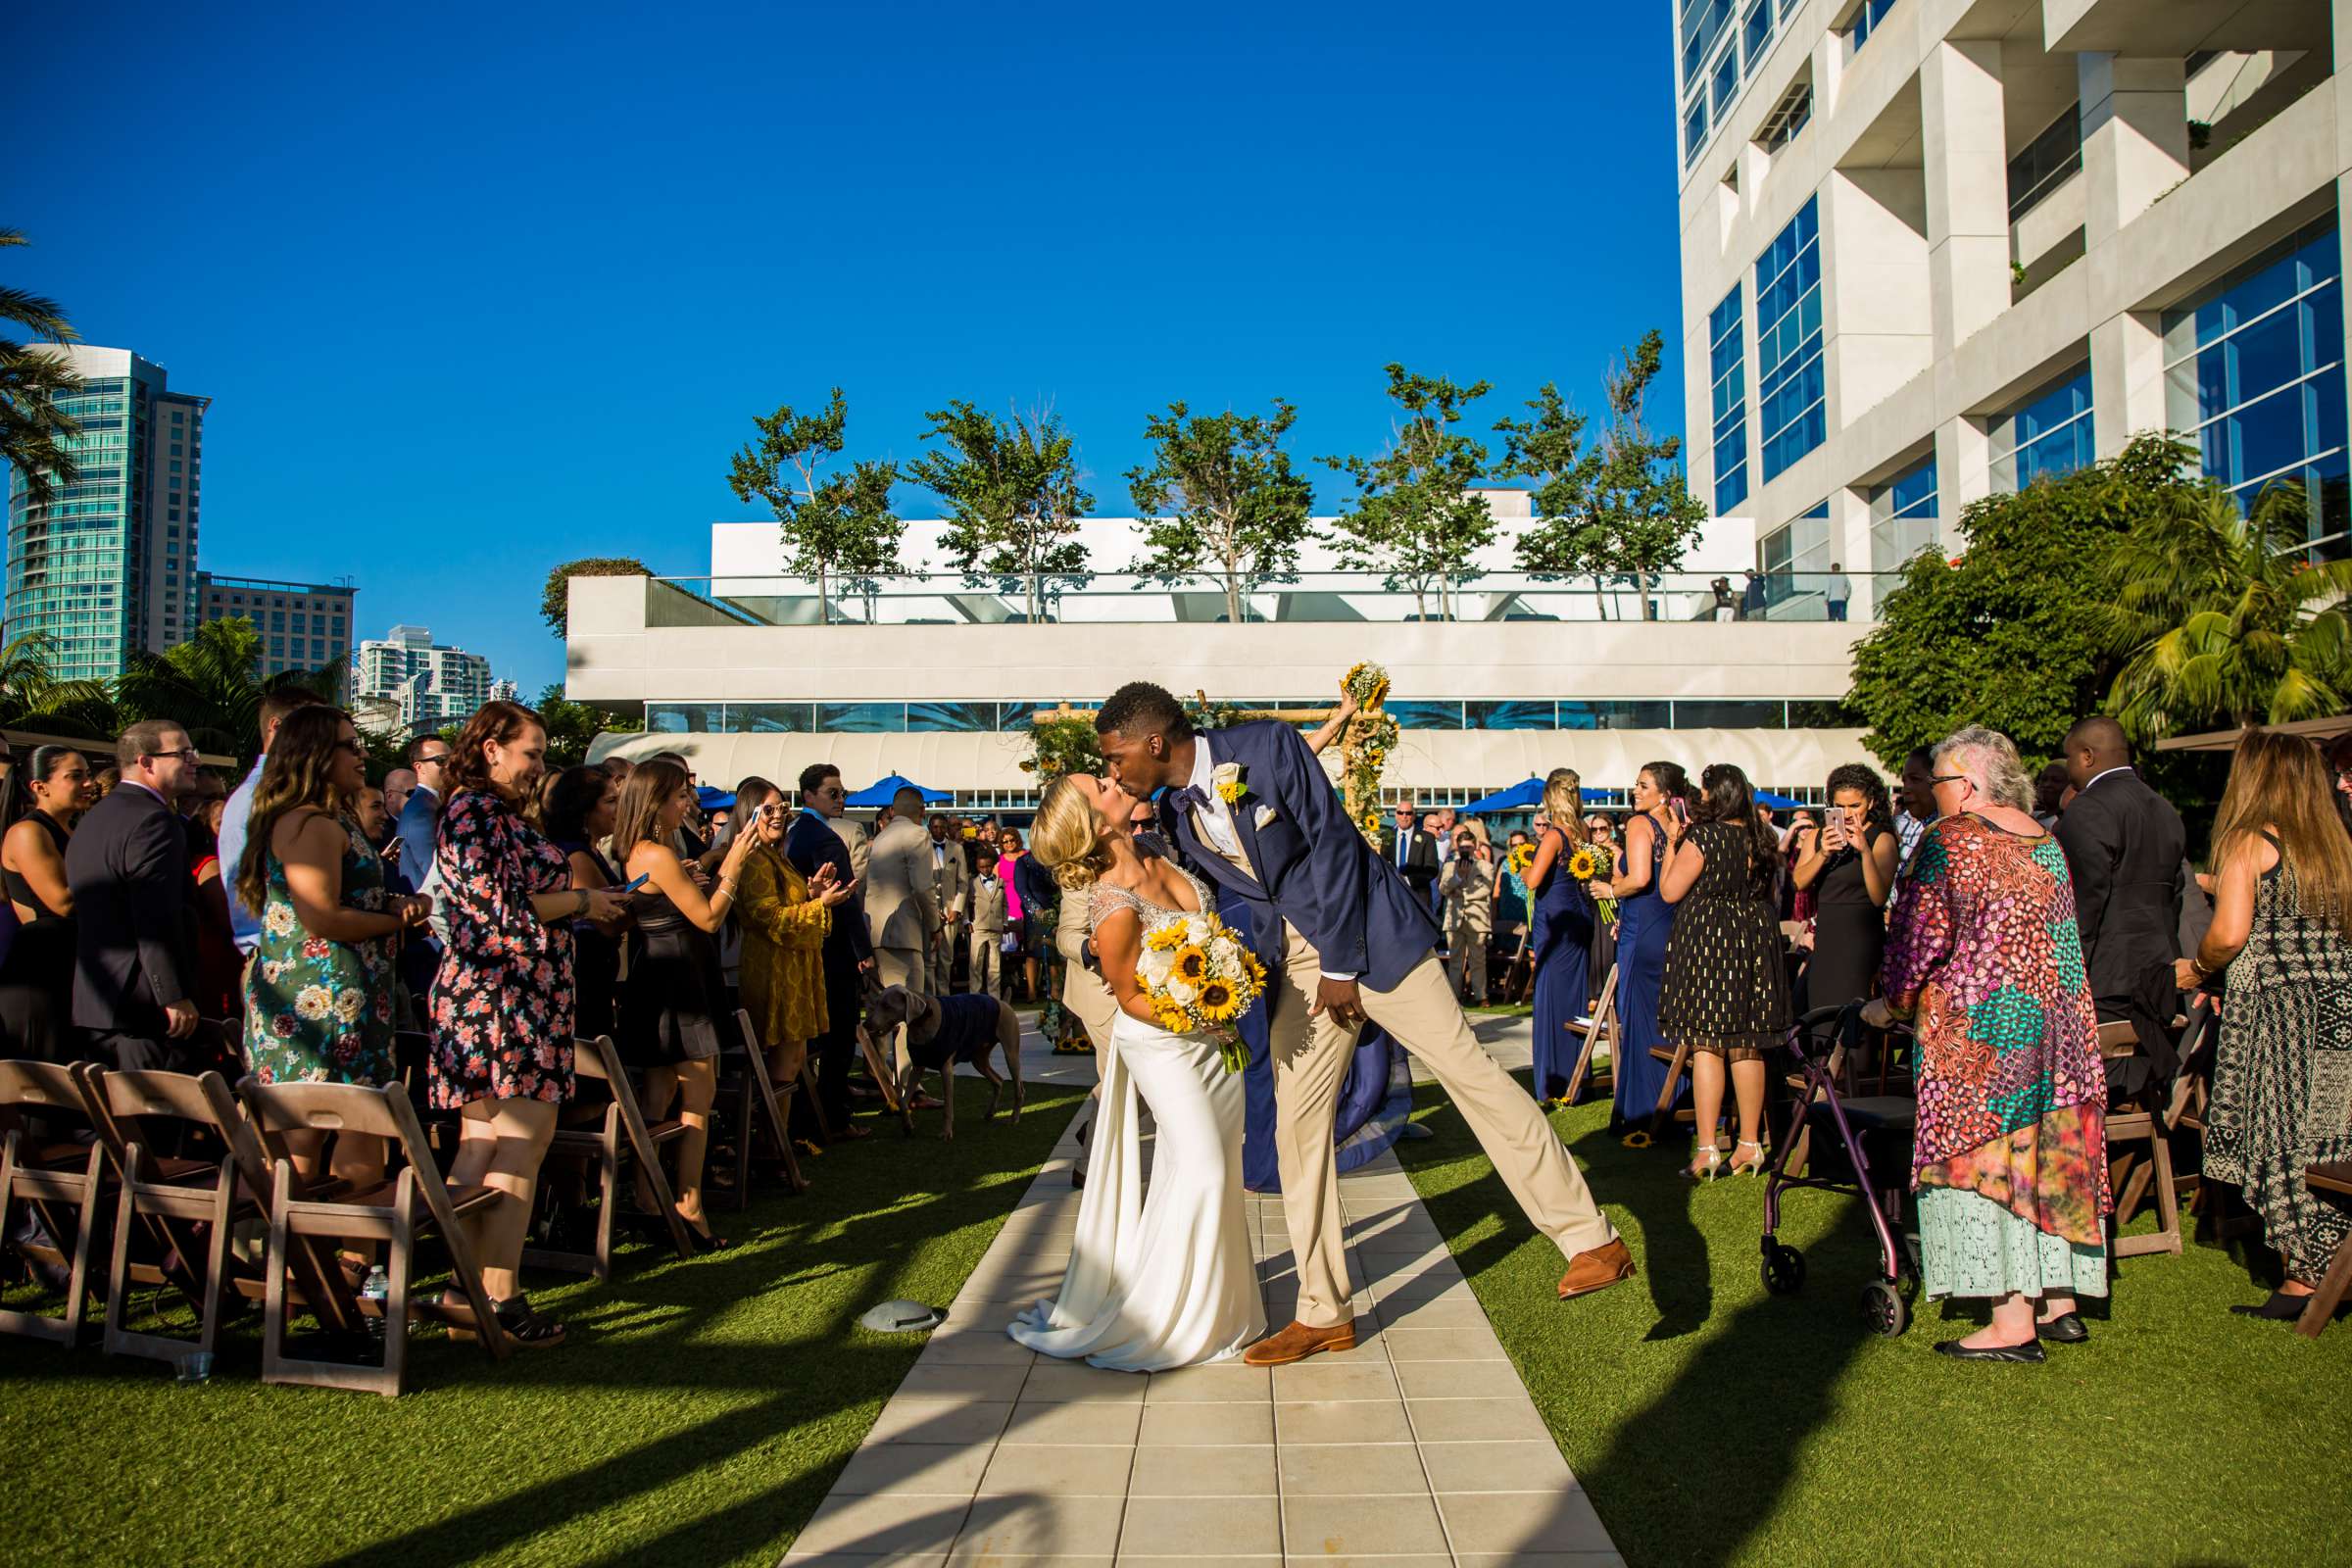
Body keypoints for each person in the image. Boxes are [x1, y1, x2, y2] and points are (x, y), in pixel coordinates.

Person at [1094, 682, 1633, 1369]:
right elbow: (1235, 895)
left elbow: (1335, 847)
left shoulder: (1264, 746)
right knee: (1295, 1129)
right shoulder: (1174, 811)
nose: (1114, 772)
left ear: (1153, 743)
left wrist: (1344, 964)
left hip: (1373, 944)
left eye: (1114, 757)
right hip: (1297, 966)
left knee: (1469, 1073)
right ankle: (1323, 1311)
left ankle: (1591, 1239)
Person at [1869, 726, 2110, 1360]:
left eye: (1940, 782)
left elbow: (1916, 940)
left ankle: (2011, 1320)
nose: (1931, 795)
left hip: (1981, 1034)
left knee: (1983, 1163)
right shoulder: (2043, 840)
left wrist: (1889, 1003)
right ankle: (2058, 1299)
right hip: (2057, 1026)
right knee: (2043, 1156)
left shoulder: (1953, 840)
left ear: (1967, 784)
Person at [1011, 771, 1264, 1369]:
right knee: (1202, 1167)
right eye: (1099, 784)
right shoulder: (1110, 902)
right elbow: (1128, 996)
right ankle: (1167, 1321)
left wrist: (1225, 990)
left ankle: (1220, 1307)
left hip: (1212, 1038)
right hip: (1166, 1045)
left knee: (1216, 1170)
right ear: (1094, 821)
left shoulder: (1155, 849)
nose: (1113, 779)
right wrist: (1202, 1015)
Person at [428, 701, 627, 1347]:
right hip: (506, 1002)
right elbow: (503, 912)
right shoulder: (477, 812)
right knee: (517, 1145)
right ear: (491, 748)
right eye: (532, 753)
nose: (540, 768)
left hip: (496, 999)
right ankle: (500, 1295)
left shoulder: (480, 812)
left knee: (483, 1145)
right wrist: (583, 899)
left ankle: (465, 1289)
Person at [2179, 730, 2352, 1321]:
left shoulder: (2251, 840)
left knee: (2280, 1134)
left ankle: (2303, 1276)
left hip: (2280, 1009)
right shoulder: (2333, 845)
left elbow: (2230, 932)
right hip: (2336, 1001)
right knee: (2330, 1135)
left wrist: (2196, 967)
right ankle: (2331, 1260)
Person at [239, 707, 433, 1196]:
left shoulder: (329, 819)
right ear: (314, 756)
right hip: (318, 1002)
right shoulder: (310, 823)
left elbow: (347, 897)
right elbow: (321, 916)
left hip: (349, 993)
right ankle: (317, 1255)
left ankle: (340, 1258)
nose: (362, 755)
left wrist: (392, 902)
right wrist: (397, 920)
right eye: (350, 746)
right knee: (314, 1135)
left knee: (356, 1129)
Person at [612, 758, 760, 1249]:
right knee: (698, 1093)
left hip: (659, 974)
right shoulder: (655, 852)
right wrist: (733, 865)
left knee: (657, 1095)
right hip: (677, 977)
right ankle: (688, 1203)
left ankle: (647, 1200)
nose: (689, 805)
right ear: (655, 801)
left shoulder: (638, 848)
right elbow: (709, 919)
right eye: (681, 797)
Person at [1655, 763, 1792, 1179]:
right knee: (1748, 1044)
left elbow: (1669, 891)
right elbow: (1771, 893)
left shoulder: (1705, 836)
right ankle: (1751, 1145)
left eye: (1705, 790)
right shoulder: (1762, 837)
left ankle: (1708, 1149)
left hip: (1710, 942)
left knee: (1707, 1044)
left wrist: (1674, 845)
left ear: (1719, 795)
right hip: (1753, 941)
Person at [65, 722, 207, 1072]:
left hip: (99, 1002)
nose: (194, 761)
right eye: (182, 753)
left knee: (118, 1123)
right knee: (156, 1120)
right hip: (144, 1008)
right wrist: (173, 994)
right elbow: (155, 916)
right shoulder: (153, 822)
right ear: (146, 762)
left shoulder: (94, 818)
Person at [735, 775, 852, 1126]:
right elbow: (770, 918)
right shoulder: (754, 859)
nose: (778, 815)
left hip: (794, 970)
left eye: (782, 808)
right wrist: (820, 904)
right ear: (749, 813)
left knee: (793, 1058)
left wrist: (813, 894)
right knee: (782, 1065)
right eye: (768, 809)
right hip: (774, 972)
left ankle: (780, 1142)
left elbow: (786, 906)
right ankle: (773, 1148)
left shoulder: (777, 855)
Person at [2055, 715, 2185, 1020]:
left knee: (2108, 1068)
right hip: (2161, 970)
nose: (2067, 766)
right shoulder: (2163, 807)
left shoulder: (2087, 808)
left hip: (2107, 978)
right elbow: (2175, 892)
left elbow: (2083, 900)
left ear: (2087, 756)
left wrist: (2067, 974)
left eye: (2068, 756)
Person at [1601, 760, 1690, 1134]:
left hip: (1643, 929)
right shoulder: (1678, 829)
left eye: (1643, 785)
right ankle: (1673, 1099)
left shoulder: (1639, 824)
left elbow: (1639, 879)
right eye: (1635, 784)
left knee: (1638, 1017)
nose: (1635, 790)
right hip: (1669, 924)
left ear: (1664, 794)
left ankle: (1639, 1107)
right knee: (1667, 1017)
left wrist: (1610, 889)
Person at [787, 762, 873, 1138]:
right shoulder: (823, 839)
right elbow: (846, 900)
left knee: (814, 1037)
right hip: (832, 946)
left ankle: (812, 1112)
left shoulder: (796, 834)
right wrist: (863, 951)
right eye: (832, 793)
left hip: (806, 942)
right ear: (808, 796)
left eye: (843, 793)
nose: (841, 799)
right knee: (838, 1034)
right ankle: (834, 1117)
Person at [0, 746, 91, 1059]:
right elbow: (63, 901)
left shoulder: (77, 830)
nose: (88, 783)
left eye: (88, 775)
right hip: (40, 968)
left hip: (75, 966)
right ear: (40, 787)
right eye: (75, 776)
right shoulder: (28, 832)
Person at [220, 687, 324, 955]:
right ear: (276, 727)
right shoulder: (256, 797)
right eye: (308, 726)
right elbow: (243, 889)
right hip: (279, 957)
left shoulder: (299, 789)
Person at [1789, 762, 1898, 1013]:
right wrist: (1822, 853)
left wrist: (1864, 851)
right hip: (1827, 941)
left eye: (1854, 806)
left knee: (1855, 1021)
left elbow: (1879, 896)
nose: (1847, 814)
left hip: (1861, 944)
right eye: (1839, 807)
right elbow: (1798, 883)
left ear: (1871, 802)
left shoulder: (1882, 838)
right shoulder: (1818, 836)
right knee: (1820, 1018)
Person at [1524, 769, 1596, 1105]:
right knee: (1574, 998)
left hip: (1556, 921)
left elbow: (1533, 880)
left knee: (1552, 998)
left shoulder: (1555, 835)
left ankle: (1554, 1081)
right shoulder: (1582, 831)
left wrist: (1522, 867)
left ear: (1552, 797)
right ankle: (1577, 1074)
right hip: (1579, 917)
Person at [543, 764, 629, 1043]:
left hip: (597, 972)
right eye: (611, 801)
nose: (619, 808)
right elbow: (608, 922)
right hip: (586, 974)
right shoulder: (575, 855)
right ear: (584, 808)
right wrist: (656, 897)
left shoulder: (588, 848)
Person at [865, 785, 943, 1014]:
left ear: (892, 811)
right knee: (909, 1011)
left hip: (875, 933)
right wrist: (934, 926)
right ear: (922, 811)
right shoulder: (917, 834)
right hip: (903, 933)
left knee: (880, 1011)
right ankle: (903, 1053)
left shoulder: (880, 838)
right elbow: (922, 886)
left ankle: (878, 1052)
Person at [395, 732, 454, 999]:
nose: (450, 766)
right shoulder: (421, 808)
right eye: (441, 760)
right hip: (433, 932)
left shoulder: (434, 804)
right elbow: (438, 870)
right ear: (418, 767)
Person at [1440, 823, 1495, 1006]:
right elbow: (1443, 887)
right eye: (1462, 847)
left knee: (1477, 959)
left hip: (1477, 917)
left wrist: (1462, 893)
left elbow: (1486, 889)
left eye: (1468, 847)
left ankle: (1481, 995)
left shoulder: (1485, 866)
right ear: (1457, 846)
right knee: (1455, 959)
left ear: (1475, 847)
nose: (1465, 850)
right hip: (1455, 919)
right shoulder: (1450, 866)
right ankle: (1454, 996)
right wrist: (1458, 878)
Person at [928, 812, 967, 991]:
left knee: (946, 958)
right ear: (929, 828)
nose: (939, 830)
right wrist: (930, 909)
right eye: (935, 827)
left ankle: (944, 999)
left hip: (950, 910)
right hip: (929, 910)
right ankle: (929, 998)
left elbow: (963, 882)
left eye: (942, 827)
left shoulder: (957, 849)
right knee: (929, 958)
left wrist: (956, 909)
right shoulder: (922, 848)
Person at [1387, 804, 1440, 913]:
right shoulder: (1387, 837)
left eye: (1408, 813)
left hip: (1419, 895)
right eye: (1400, 813)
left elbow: (1432, 869)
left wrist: (1408, 879)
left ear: (1414, 816)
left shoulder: (1427, 838)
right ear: (1396, 815)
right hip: (1393, 895)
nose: (1404, 816)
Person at [967, 857, 1008, 997]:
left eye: (989, 866)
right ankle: (975, 996)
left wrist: (1004, 922)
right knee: (976, 964)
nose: (986, 869)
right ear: (978, 867)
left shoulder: (1000, 882)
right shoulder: (972, 883)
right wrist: (967, 921)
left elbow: (1004, 905)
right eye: (983, 867)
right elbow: (967, 904)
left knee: (994, 965)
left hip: (996, 928)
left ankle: (994, 997)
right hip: (978, 927)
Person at [1893, 746, 1936, 869]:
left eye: (1915, 779)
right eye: (1905, 781)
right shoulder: (1925, 827)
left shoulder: (1945, 834)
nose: (1906, 789)